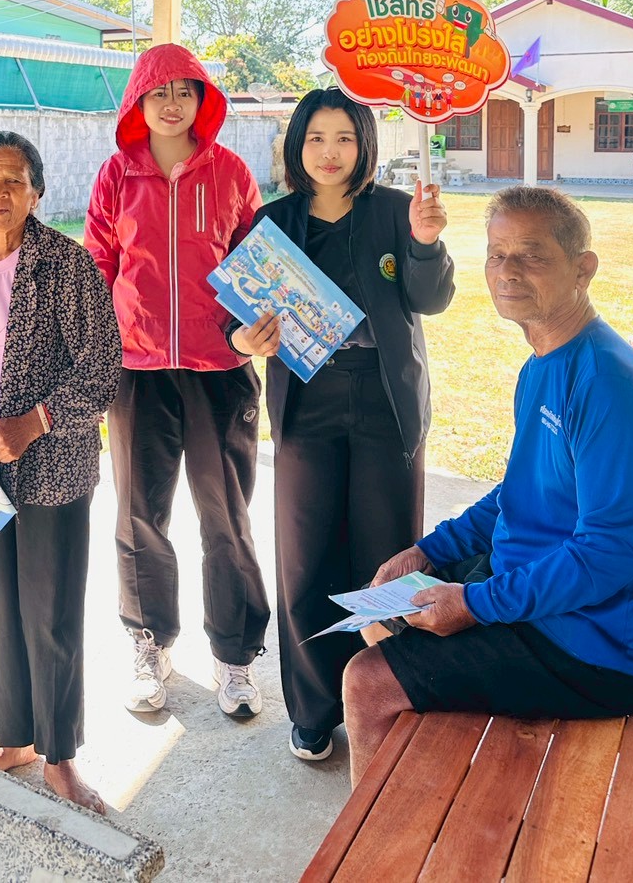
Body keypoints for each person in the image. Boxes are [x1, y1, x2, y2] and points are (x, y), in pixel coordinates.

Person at [342, 186, 633, 783]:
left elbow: (609, 556)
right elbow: (517, 494)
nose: (507, 271)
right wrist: (426, 551)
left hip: (601, 646)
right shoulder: (543, 363)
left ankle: (381, 833)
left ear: (583, 268)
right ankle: (425, 793)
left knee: (366, 683)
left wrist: (474, 604)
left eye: (532, 255)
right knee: (384, 609)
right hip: (544, 595)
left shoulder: (608, 385)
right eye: (497, 254)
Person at [232, 87, 453, 762]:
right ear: (297, 146)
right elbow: (234, 318)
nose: (329, 152)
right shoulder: (272, 223)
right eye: (316, 138)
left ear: (366, 144)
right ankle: (313, 710)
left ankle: (389, 697)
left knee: (386, 557)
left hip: (385, 398)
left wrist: (425, 242)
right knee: (306, 556)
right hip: (307, 401)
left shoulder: (395, 211)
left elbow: (430, 298)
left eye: (345, 138)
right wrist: (245, 339)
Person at [0, 132, 120, 814]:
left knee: (50, 611)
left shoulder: (66, 265)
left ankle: (60, 756)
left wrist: (33, 422)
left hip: (51, 466)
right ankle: (17, 738)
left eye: (14, 180)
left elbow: (102, 367)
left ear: (37, 193)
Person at [84, 43, 271, 718]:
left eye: (184, 92)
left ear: (202, 100)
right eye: (158, 92)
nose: (171, 104)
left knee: (227, 518)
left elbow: (256, 268)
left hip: (220, 371)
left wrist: (245, 333)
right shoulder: (116, 175)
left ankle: (235, 654)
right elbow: (97, 266)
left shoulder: (231, 172)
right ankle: (149, 641)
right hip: (136, 372)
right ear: (138, 101)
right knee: (139, 514)